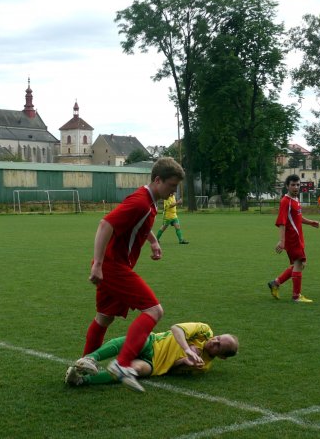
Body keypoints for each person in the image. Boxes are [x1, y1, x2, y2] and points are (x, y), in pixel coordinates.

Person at [77, 157, 185, 392]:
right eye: (171, 186)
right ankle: (123, 364)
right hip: (113, 266)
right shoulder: (140, 202)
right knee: (154, 310)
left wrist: (154, 242)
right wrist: (98, 264)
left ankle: (81, 367)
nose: (173, 192)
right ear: (158, 180)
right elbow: (105, 224)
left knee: (104, 317)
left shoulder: (148, 202)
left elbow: (137, 225)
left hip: (114, 264)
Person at [65, 322, 238, 388]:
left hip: (154, 365)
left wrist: (184, 362)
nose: (214, 341)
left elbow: (172, 371)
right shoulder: (204, 330)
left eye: (218, 346)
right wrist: (187, 347)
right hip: (154, 342)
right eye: (218, 338)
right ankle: (91, 358)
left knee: (133, 370)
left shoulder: (204, 366)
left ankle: (80, 380)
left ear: (221, 356)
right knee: (133, 340)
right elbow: (176, 328)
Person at [267, 174, 320, 303]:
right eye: (293, 185)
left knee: (300, 265)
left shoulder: (295, 200)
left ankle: (275, 283)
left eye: (297, 185)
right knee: (299, 264)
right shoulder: (285, 201)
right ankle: (296, 296)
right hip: (292, 238)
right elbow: (281, 222)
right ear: (287, 186)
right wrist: (282, 241)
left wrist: (310, 222)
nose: (296, 187)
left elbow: (298, 218)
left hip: (298, 237)